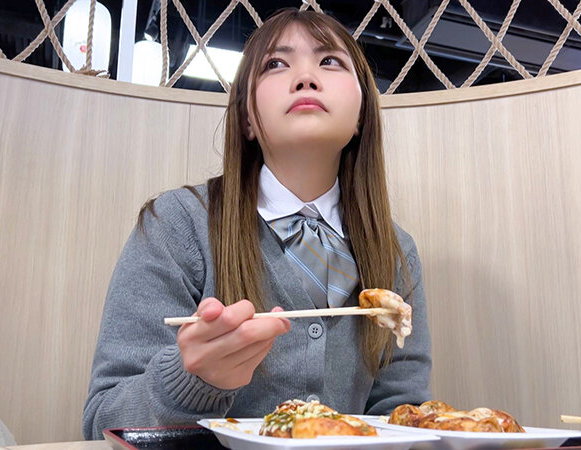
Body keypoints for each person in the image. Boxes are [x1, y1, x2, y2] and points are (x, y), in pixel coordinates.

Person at [82, 8, 431, 440]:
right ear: (247, 118)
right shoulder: (177, 226)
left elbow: (402, 417)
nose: (306, 78)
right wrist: (193, 381)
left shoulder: (395, 252)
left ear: (361, 114)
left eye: (330, 61)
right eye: (276, 64)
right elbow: (102, 424)